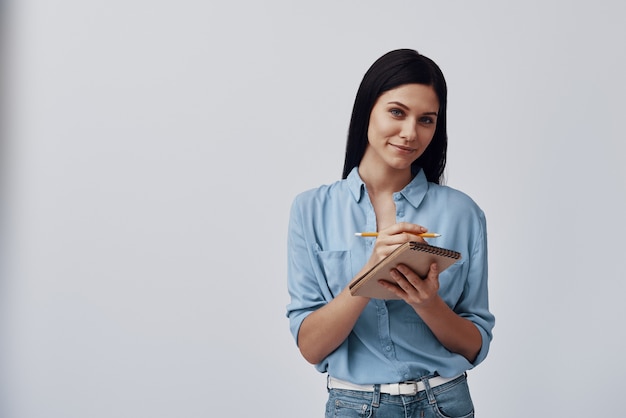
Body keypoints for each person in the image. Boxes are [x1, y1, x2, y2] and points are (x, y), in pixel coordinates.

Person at [286, 49, 495, 418]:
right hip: (353, 405)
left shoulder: (463, 213)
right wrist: (369, 276)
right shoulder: (311, 209)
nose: (411, 133)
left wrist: (427, 302)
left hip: (444, 403)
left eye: (427, 120)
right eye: (397, 112)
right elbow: (311, 346)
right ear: (368, 108)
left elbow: (475, 346)